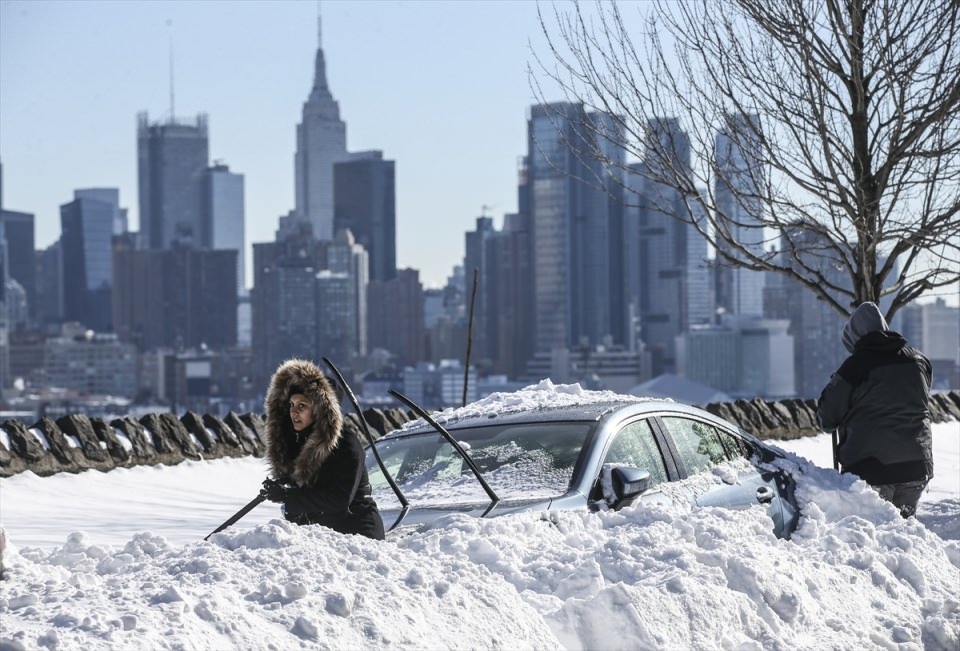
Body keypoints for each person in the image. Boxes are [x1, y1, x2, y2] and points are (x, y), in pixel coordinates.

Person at [816, 302, 934, 518]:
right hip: (917, 464)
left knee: (876, 534)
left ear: (854, 337)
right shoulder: (918, 360)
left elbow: (827, 418)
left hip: (871, 468)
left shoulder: (855, 366)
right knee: (906, 534)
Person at [260, 358, 385, 540]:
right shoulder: (302, 444)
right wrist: (283, 488)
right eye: (292, 405)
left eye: (302, 406)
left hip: (357, 535)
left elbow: (339, 499)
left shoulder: (345, 443)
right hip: (323, 537)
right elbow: (308, 493)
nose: (294, 412)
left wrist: (288, 496)